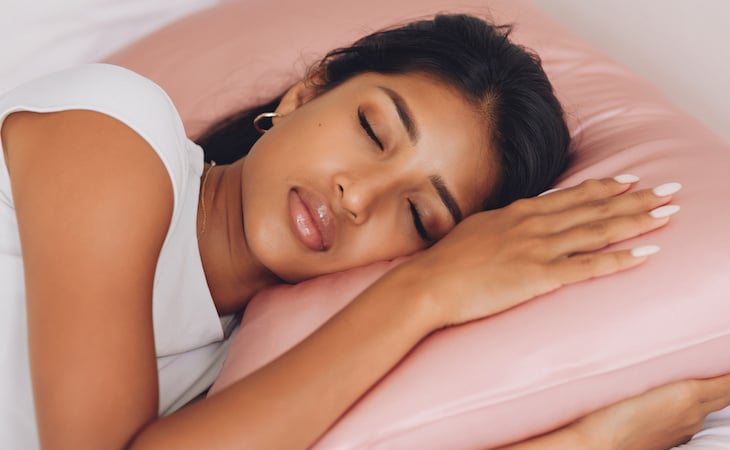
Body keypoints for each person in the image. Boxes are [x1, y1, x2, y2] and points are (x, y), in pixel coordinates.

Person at [0, 13, 727, 450]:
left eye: (419, 216)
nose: (357, 196)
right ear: (304, 93)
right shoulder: (117, 132)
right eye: (372, 129)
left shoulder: (248, 368)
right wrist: (423, 292)